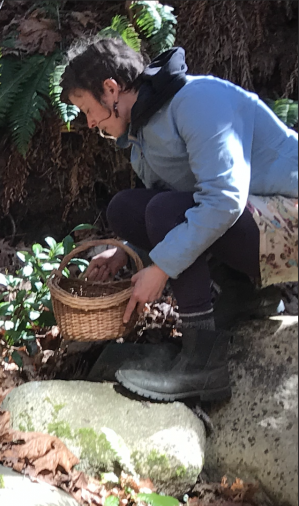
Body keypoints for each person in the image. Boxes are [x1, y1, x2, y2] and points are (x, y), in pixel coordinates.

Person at [59, 37, 299, 402]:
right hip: (260, 222)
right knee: (125, 208)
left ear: (111, 89)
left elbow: (223, 201)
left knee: (163, 210)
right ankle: (246, 297)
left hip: (290, 219)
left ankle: (203, 365)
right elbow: (176, 209)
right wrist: (127, 251)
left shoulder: (197, 100)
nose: (90, 123)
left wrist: (161, 269)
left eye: (89, 109)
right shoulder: (142, 134)